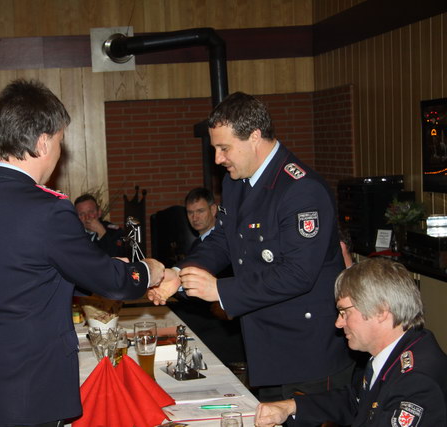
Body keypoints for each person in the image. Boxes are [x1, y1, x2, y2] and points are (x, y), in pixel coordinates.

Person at [0, 79, 164, 427]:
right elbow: (112, 283)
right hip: (24, 391)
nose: (60, 152)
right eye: (60, 141)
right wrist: (148, 271)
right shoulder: (47, 209)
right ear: (43, 142)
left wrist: (95, 267)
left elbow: (21, 273)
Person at [150, 92, 353, 405]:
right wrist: (181, 272)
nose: (218, 159)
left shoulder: (301, 189)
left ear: (255, 137)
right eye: (215, 149)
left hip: (306, 351)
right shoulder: (236, 182)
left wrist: (220, 290)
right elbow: (223, 239)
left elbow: (298, 274)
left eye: (224, 148)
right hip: (266, 347)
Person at [255, 258, 447, 426]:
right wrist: (290, 406)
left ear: (381, 312)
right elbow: (356, 400)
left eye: (344, 312)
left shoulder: (417, 382)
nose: (338, 323)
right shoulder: (400, 349)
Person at [169, 187, 245, 366]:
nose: (195, 217)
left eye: (200, 211)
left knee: (173, 327)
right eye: (190, 213)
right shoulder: (199, 243)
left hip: (223, 321)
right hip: (205, 313)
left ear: (213, 210)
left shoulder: (224, 245)